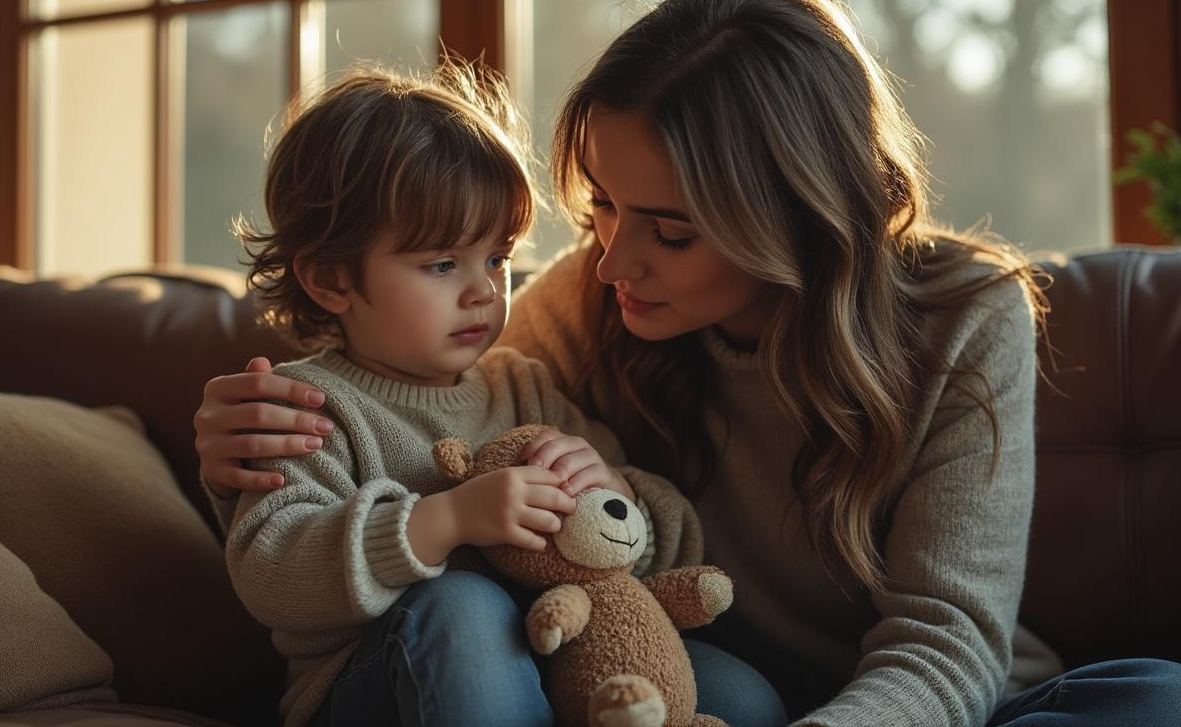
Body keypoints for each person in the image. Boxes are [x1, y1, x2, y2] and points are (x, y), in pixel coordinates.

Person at [196, 0, 1181, 727]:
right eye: (603, 209)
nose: (616, 258)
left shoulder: (964, 316)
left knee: (1162, 701)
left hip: (917, 711)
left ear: (793, 219)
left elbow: (948, 645)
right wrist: (236, 436)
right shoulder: (590, 298)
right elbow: (393, 376)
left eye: (672, 230)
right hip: (687, 687)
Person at [206, 63, 784, 727]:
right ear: (331, 279)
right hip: (373, 689)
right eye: (443, 264)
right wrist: (446, 521)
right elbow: (272, 573)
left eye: (499, 258)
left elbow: (664, 545)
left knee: (741, 697)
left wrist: (613, 497)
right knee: (465, 605)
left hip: (555, 654)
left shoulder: (523, 386)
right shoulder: (307, 406)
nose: (484, 289)